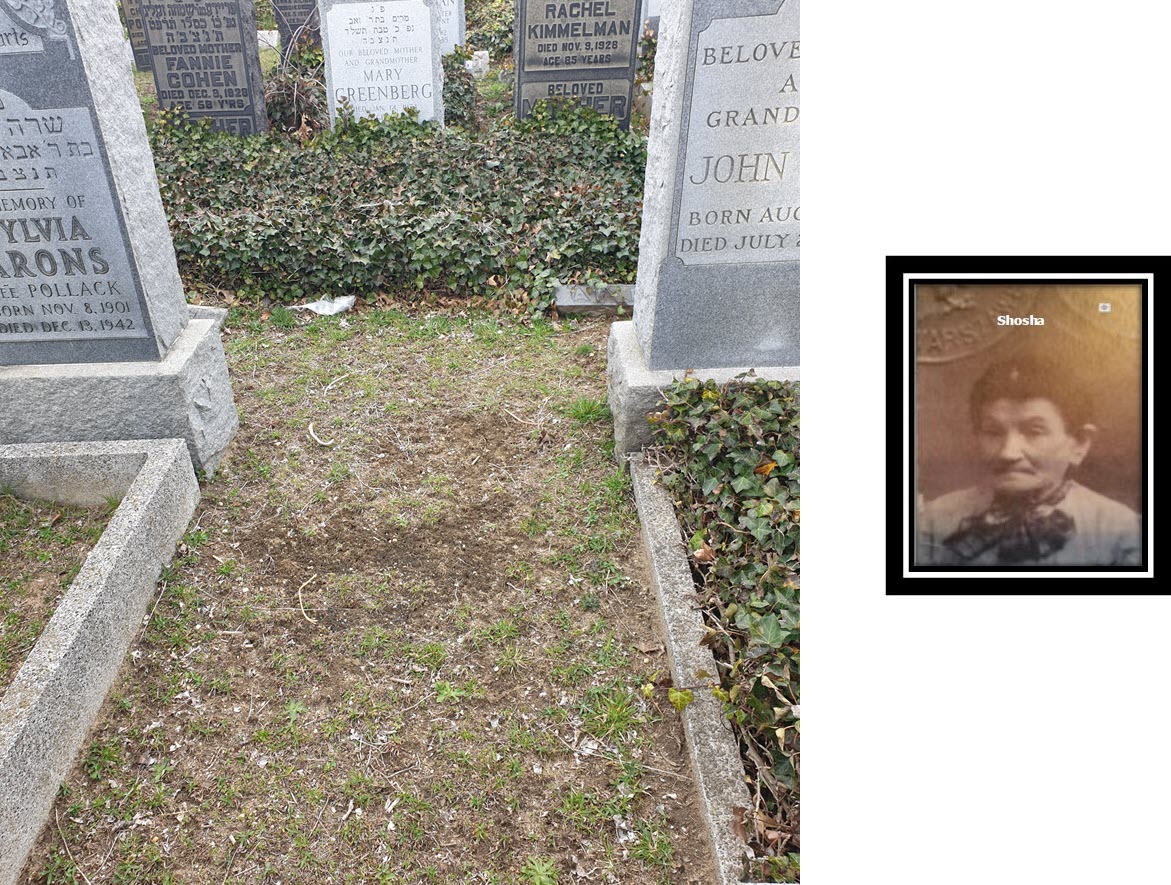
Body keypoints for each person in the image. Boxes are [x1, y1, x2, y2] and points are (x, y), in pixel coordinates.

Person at [917, 357, 1141, 566]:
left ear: (1080, 443)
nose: (1008, 453)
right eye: (993, 432)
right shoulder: (933, 523)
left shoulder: (1122, 532)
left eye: (1034, 431)